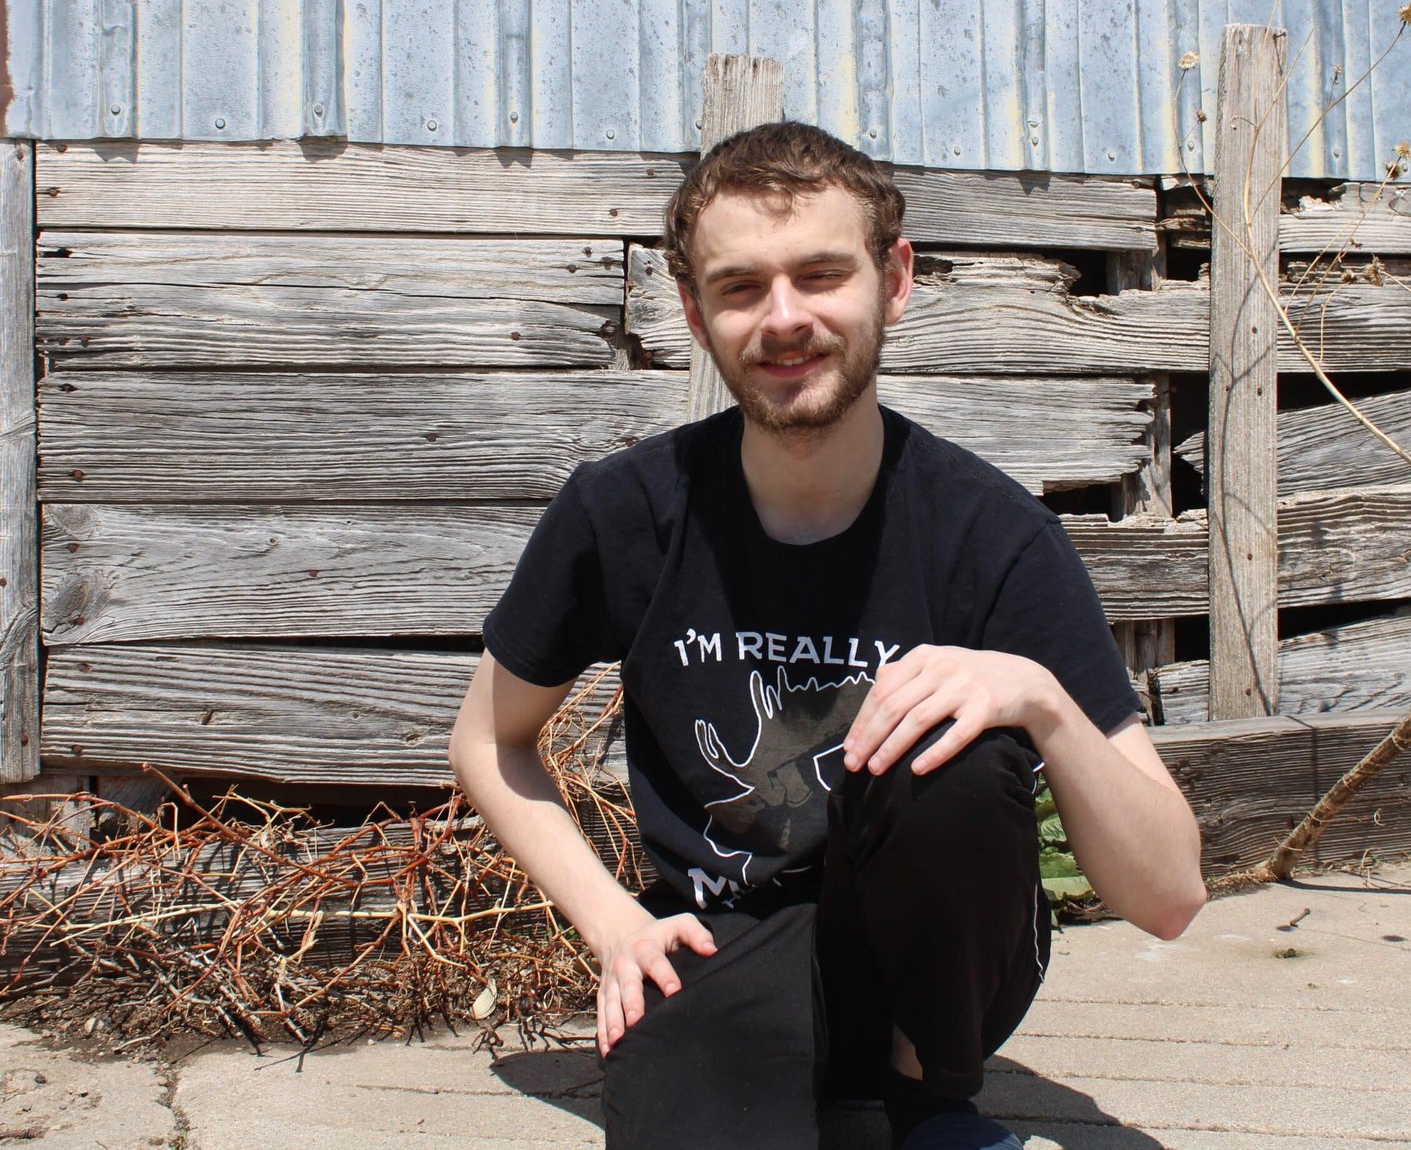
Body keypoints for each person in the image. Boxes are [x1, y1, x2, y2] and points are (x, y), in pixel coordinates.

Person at [449, 121, 1206, 1150]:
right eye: (740, 286)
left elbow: (1166, 899)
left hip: (936, 979)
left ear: (893, 280)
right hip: (715, 945)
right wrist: (615, 926)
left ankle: (928, 1100)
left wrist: (1038, 699)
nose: (785, 318)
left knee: (958, 745)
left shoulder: (991, 536)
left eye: (820, 274)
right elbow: (488, 740)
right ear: (692, 312)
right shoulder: (622, 514)